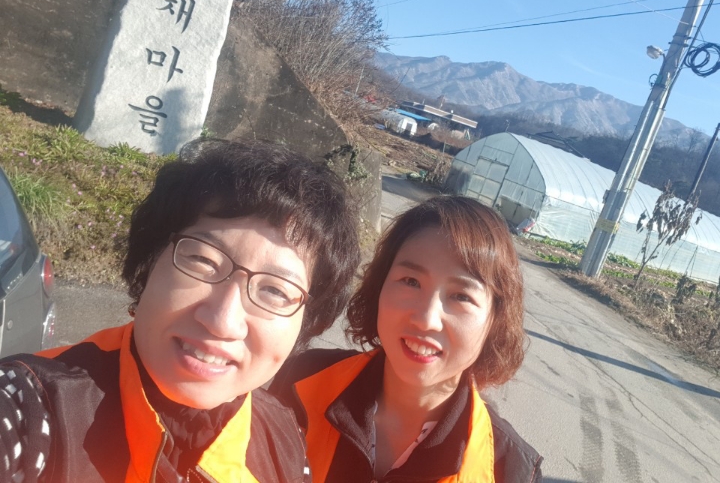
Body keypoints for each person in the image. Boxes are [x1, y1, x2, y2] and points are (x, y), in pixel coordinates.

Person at [0, 138, 360, 483]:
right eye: (203, 261)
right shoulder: (28, 409)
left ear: (306, 323)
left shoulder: (285, 442)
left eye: (275, 291)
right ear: (149, 262)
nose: (222, 321)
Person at [271, 196, 543, 482]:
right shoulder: (301, 380)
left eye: (461, 296)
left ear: (495, 320)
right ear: (380, 285)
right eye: (411, 282)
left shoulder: (511, 469)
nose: (426, 319)